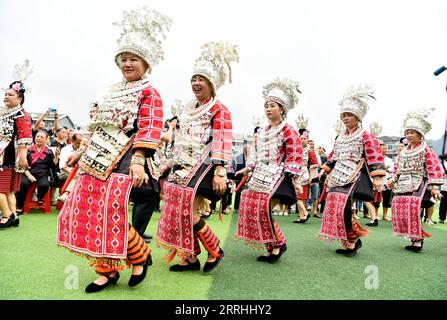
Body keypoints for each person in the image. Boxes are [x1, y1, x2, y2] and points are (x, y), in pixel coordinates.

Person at [57, 7, 171, 292]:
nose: (127, 63)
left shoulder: (150, 92)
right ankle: (106, 270)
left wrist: (138, 160)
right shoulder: (108, 91)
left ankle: (135, 257)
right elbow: (98, 128)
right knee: (84, 211)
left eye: (134, 59)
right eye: (123, 59)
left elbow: (150, 126)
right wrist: (81, 152)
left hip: (126, 158)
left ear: (146, 64)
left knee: (111, 212)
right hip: (95, 159)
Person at [156, 41, 238, 273]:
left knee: (187, 210)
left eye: (201, 79)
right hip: (182, 165)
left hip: (204, 166)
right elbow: (181, 140)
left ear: (211, 84)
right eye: (193, 79)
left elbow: (222, 140)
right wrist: (169, 162)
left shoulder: (219, 109)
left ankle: (214, 250)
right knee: (174, 208)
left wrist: (220, 171)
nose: (196, 83)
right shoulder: (189, 109)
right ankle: (189, 257)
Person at [235, 77, 303, 262]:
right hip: (259, 175)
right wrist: (247, 169)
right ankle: (271, 246)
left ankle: (278, 244)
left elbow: (295, 153)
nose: (268, 108)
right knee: (252, 208)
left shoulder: (288, 130)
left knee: (263, 209)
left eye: (272, 105)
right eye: (266, 105)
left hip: (277, 175)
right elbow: (255, 154)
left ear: (281, 109)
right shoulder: (261, 132)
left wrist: (295, 180)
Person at [318, 85, 385, 256]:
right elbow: (333, 156)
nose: (346, 118)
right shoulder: (340, 136)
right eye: (344, 115)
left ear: (357, 117)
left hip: (355, 175)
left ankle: (353, 239)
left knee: (344, 208)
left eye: (349, 115)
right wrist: (324, 170)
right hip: (338, 176)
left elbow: (374, 154)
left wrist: (377, 177)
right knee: (334, 207)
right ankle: (349, 240)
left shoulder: (365, 135)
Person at [387, 109, 443, 252]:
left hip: (418, 182)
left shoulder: (426, 150)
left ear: (420, 135)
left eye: (412, 132)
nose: (409, 135)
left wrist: (435, 186)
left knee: (412, 209)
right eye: (407, 133)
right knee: (399, 207)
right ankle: (412, 237)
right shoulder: (403, 151)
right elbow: (397, 168)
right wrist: (392, 179)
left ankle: (418, 239)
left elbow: (433, 167)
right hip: (402, 183)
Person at [0, 79, 33, 228]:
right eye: (5, 94)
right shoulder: (7, 113)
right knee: (7, 191)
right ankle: (13, 216)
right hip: (6, 155)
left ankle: (6, 215)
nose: (6, 97)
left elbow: (24, 137)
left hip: (7, 157)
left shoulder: (21, 115)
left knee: (2, 189)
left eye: (10, 95)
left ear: (19, 99)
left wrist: (22, 156)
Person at [16, 130, 58, 212]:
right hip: (28, 172)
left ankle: (40, 197)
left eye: (41, 137)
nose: (38, 138)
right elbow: (22, 165)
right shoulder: (27, 150)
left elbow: (53, 165)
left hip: (43, 174)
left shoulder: (49, 151)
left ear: (46, 140)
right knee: (23, 184)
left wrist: (56, 156)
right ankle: (20, 206)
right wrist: (29, 175)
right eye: (37, 136)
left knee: (44, 185)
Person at [294, 118, 318, 223]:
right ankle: (302, 215)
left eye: (304, 138)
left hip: (304, 174)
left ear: (307, 139)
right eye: (301, 138)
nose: (302, 140)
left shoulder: (310, 151)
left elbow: (314, 165)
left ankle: (305, 214)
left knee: (301, 197)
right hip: (295, 173)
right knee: (298, 196)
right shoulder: (295, 149)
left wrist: (311, 177)